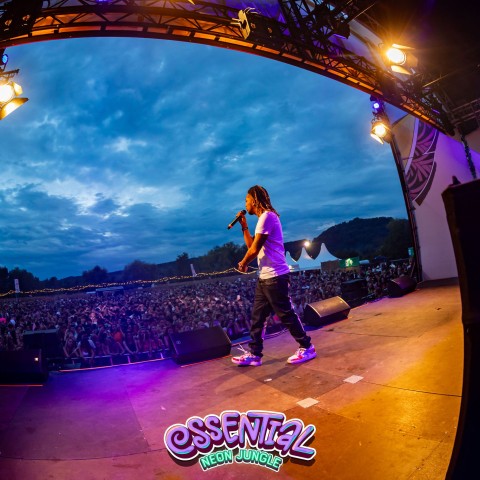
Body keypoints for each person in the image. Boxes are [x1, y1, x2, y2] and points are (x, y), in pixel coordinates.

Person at [231, 185, 316, 366]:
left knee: (286, 314)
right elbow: (251, 246)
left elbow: (254, 250)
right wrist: (244, 226)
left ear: (254, 200)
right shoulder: (263, 219)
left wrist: (243, 262)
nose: (245, 204)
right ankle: (255, 354)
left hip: (275, 276)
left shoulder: (267, 216)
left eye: (246, 200)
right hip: (265, 277)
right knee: (257, 318)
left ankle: (307, 347)